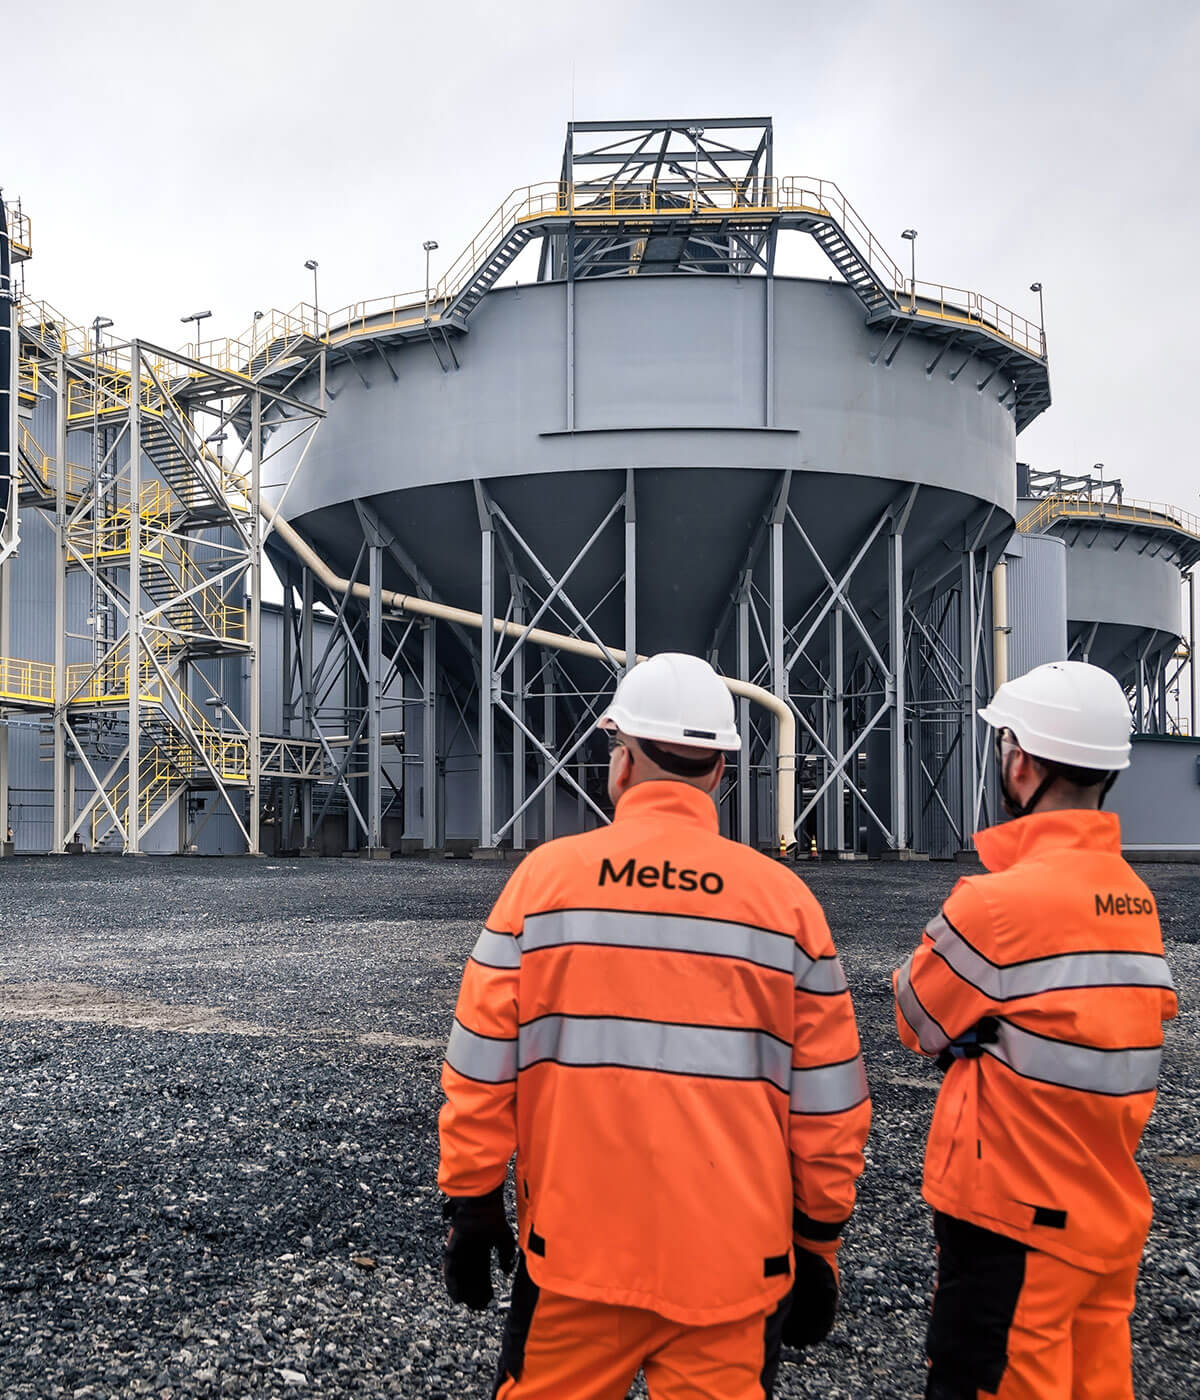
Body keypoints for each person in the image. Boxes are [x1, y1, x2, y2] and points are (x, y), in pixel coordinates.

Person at [438, 652, 872, 1399]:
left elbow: (479, 1066)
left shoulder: (544, 884)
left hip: (575, 1259)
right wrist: (818, 1241)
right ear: (719, 770)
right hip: (734, 1269)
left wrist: (472, 1202)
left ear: (624, 759)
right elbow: (830, 1106)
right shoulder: (787, 905)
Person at [893, 660, 1178, 1400]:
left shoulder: (995, 903)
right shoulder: (1133, 899)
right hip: (1107, 1209)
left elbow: (916, 1018)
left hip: (1012, 1220)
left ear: (1020, 761)